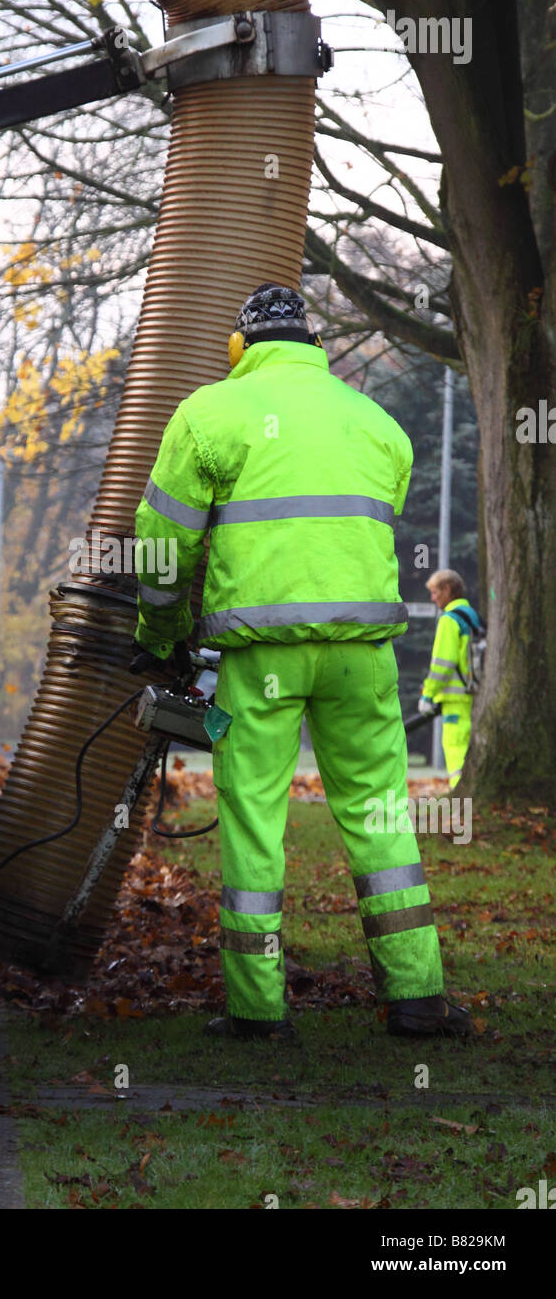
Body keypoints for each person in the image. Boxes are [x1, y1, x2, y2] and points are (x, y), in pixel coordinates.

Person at [131, 282, 470, 1040]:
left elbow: (161, 538)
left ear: (241, 348)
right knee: (382, 815)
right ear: (313, 342)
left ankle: (258, 1011)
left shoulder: (209, 414)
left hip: (261, 660)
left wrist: (162, 635)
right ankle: (416, 998)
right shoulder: (376, 423)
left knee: (256, 822)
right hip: (363, 657)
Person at [418, 569, 481, 789]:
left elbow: (442, 665)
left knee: (455, 752)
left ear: (447, 589)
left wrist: (428, 694)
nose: (433, 598)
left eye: (435, 592)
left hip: (455, 701)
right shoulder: (471, 615)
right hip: (473, 696)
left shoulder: (449, 619)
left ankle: (460, 796)